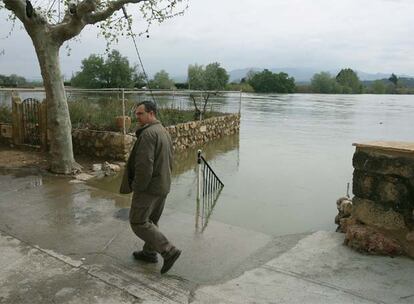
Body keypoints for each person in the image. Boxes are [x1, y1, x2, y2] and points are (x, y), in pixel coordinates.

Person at [120, 100, 181, 274]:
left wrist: (137, 187)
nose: (137, 117)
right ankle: (148, 253)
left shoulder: (148, 134)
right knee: (152, 221)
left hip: (149, 188)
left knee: (139, 221)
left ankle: (168, 250)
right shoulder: (162, 131)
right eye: (136, 114)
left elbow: (144, 166)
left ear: (151, 113)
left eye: (140, 114)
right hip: (163, 185)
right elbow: (170, 159)